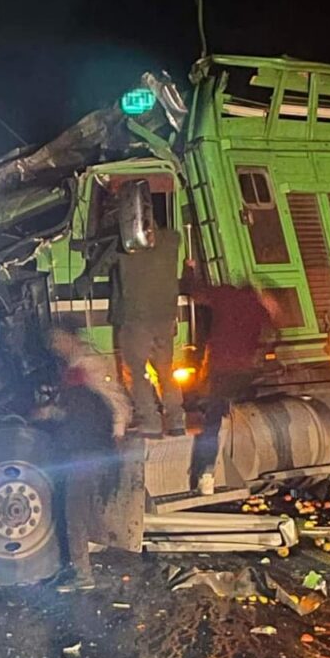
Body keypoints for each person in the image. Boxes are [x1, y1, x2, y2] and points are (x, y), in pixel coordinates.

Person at [37, 330, 130, 592]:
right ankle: (79, 566)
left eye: (58, 340)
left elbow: (111, 401)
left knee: (74, 515)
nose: (55, 346)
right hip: (84, 450)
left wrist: (119, 431)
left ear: (70, 338)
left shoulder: (87, 368)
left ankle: (83, 575)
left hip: (86, 452)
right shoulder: (75, 370)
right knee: (76, 513)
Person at [183, 262, 280, 491]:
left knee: (211, 421)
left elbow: (194, 292)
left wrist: (189, 269)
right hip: (243, 372)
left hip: (220, 371)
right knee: (221, 410)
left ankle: (205, 473)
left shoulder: (225, 295)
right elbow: (274, 329)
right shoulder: (258, 307)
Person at [110, 219, 183, 436]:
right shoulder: (171, 239)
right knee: (165, 370)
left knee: (137, 371)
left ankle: (150, 420)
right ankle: (176, 419)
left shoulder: (126, 245)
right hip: (165, 317)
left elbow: (105, 263)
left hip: (137, 318)